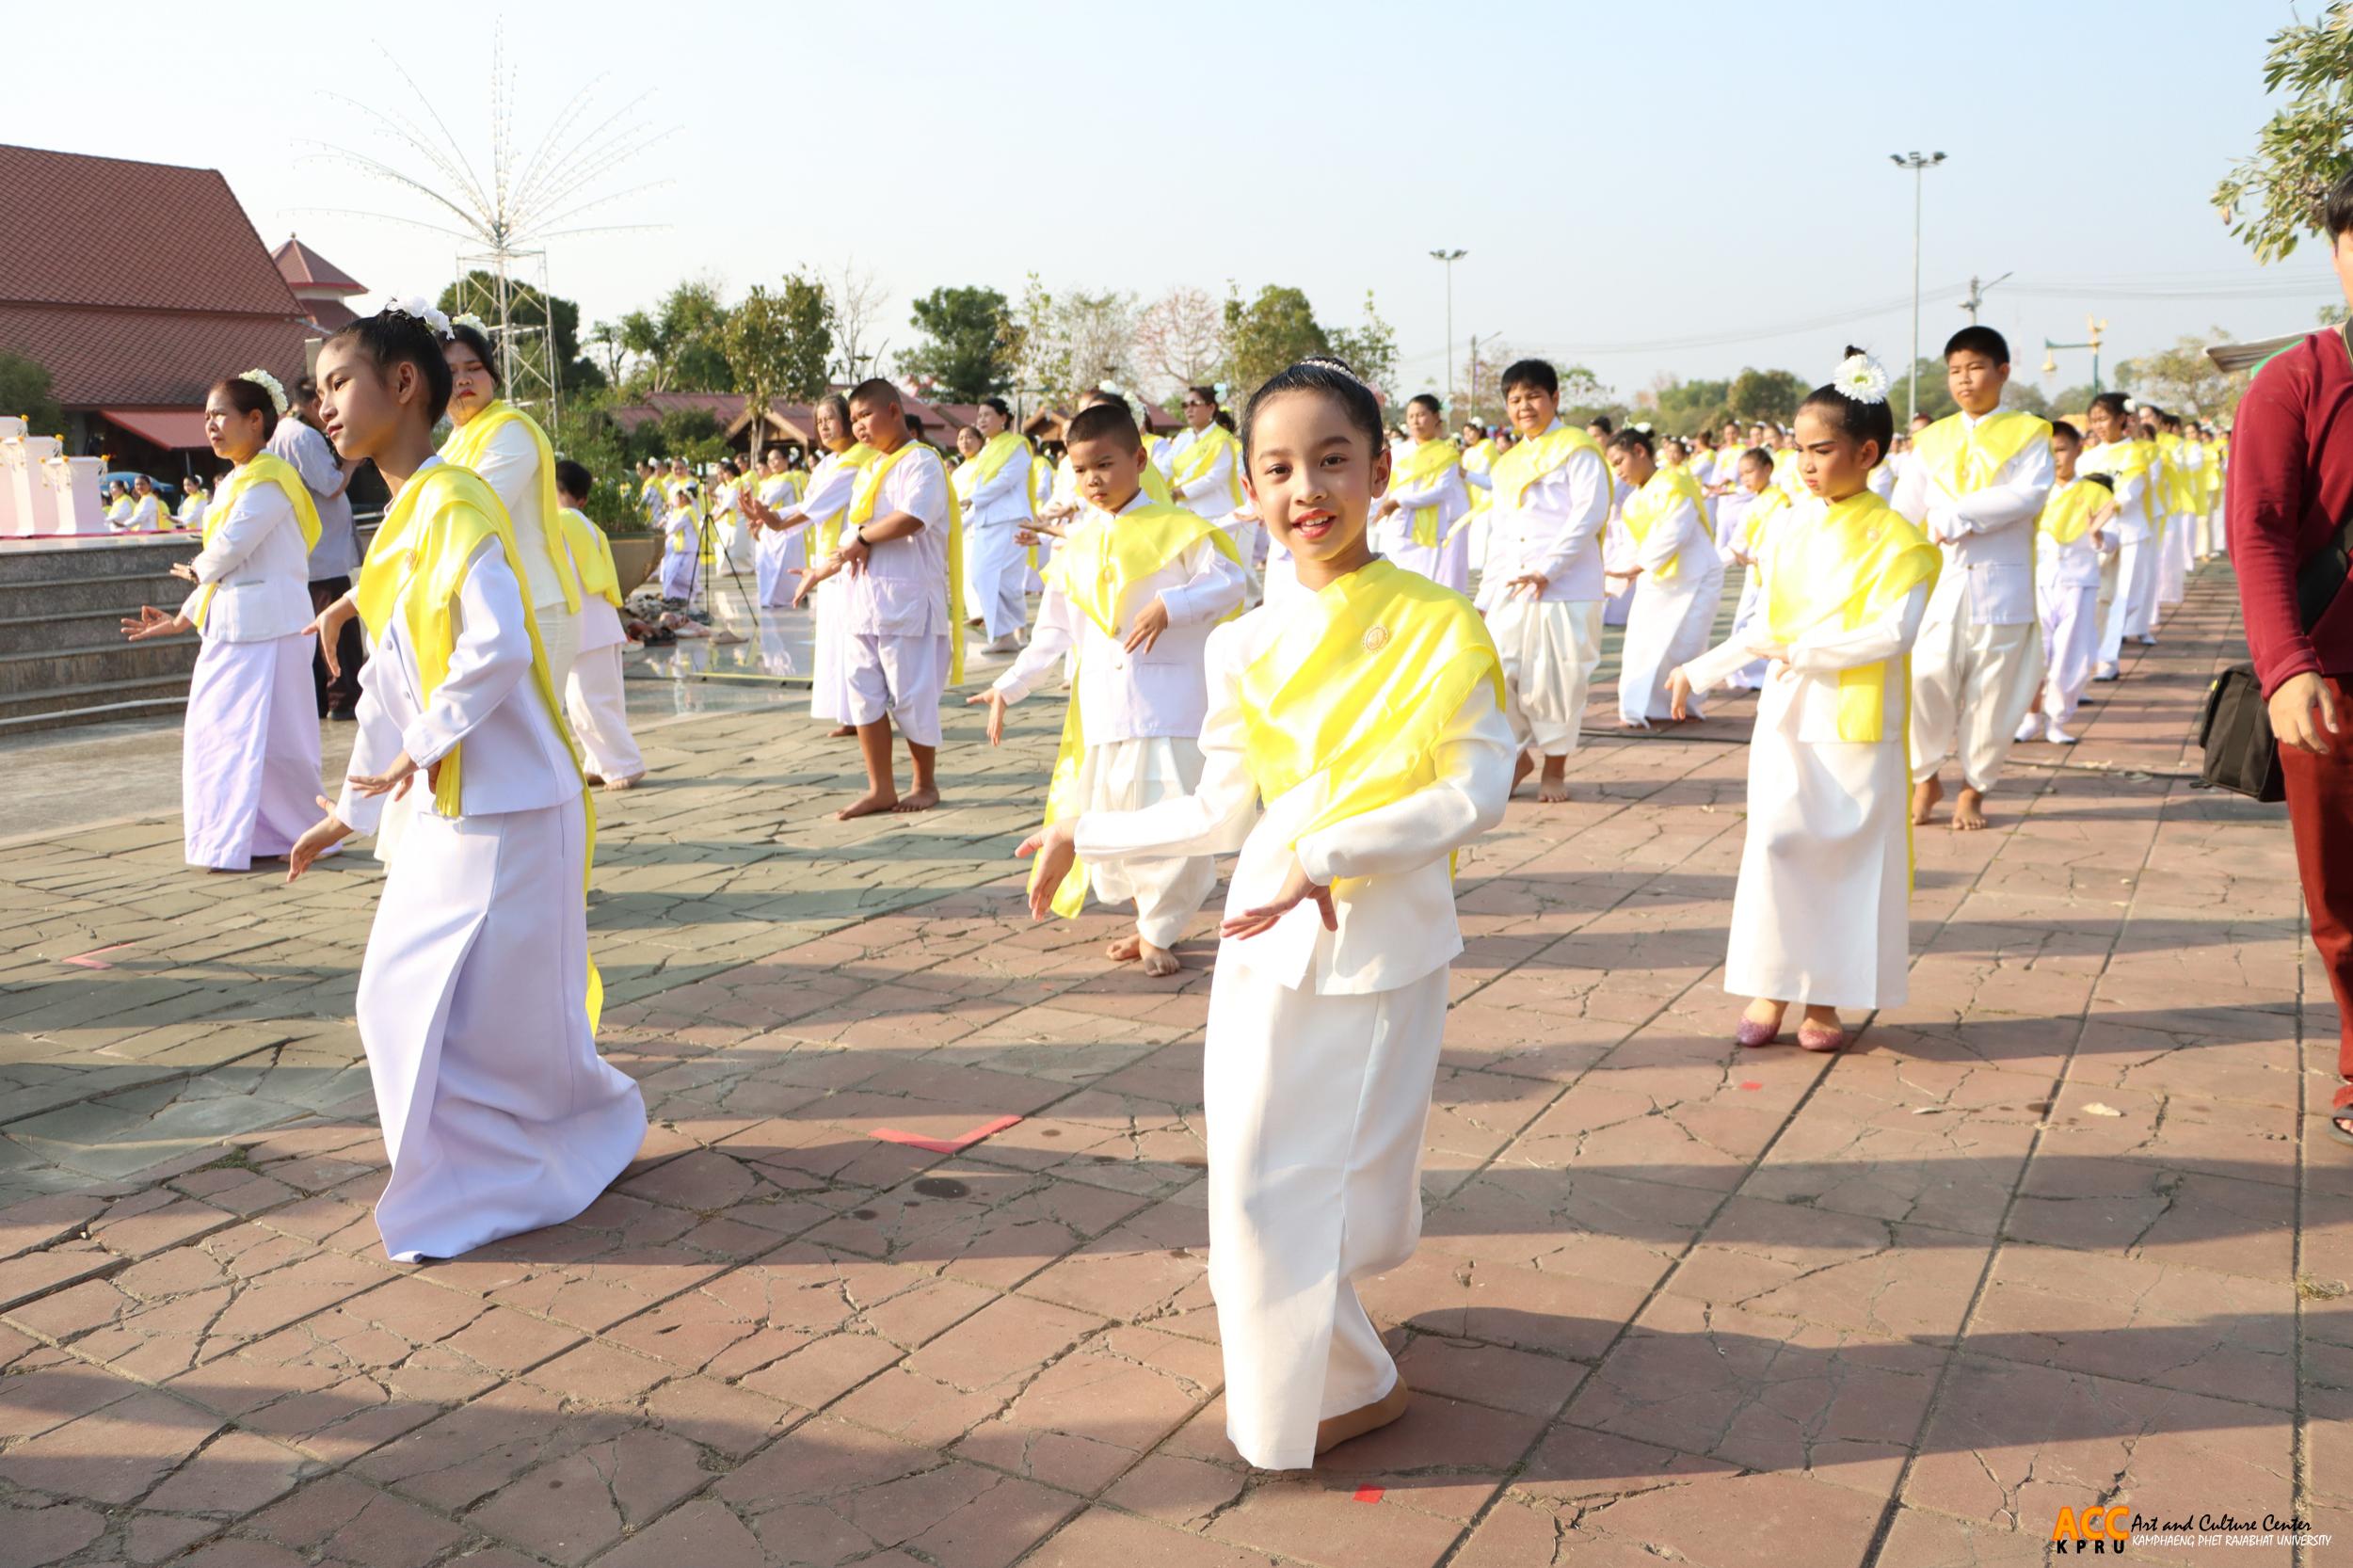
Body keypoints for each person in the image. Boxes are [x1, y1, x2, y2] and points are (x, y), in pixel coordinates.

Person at [1018, 356, 1513, 1470]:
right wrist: (1082, 830)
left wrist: (1334, 852)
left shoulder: (1440, 625)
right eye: (1279, 467)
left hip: (1375, 939)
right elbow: (1214, 808)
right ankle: (1329, 1384)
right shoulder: (1241, 643)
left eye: (1333, 460)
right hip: (1262, 936)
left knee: (1330, 1186)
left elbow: (1473, 791)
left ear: (1380, 470)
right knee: (1249, 1180)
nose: (1308, 490)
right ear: (1246, 489)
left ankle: (1337, 1385)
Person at [290, 299, 646, 1261]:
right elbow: (386, 691)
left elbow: (493, 644)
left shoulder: (451, 501)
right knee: (435, 1003)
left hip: (508, 801)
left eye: (336, 383)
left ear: (403, 384)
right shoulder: (406, 518)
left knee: (476, 1015)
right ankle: (520, 1156)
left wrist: (426, 741)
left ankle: (513, 1169)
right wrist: (351, 805)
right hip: (458, 804)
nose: (322, 406)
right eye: (316, 391)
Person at [1669, 348, 1937, 1053]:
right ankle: (1772, 983)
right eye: (1799, 450)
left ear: (1868, 452)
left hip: (1854, 717)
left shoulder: (1899, 541)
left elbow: (1894, 632)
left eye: (1822, 450)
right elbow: (1767, 625)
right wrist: (1702, 669)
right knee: (1777, 844)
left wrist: (1809, 654)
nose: (1806, 465)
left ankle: (1825, 1000)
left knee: (1847, 857)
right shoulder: (1790, 525)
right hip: (1789, 710)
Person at [974, 402, 1246, 977]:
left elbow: (1229, 584)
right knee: (1114, 822)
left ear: (1139, 460)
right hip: (1104, 713)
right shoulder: (1074, 546)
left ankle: (1158, 930)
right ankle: (1147, 921)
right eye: (1080, 469)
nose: (1093, 479)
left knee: (1170, 825)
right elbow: (1050, 633)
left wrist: (1171, 604)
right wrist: (1008, 685)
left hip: (1169, 707)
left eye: (1105, 464)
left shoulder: (1182, 530)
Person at [2228, 169, 2353, 1149]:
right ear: (2335, 252)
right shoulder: (2295, 383)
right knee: (2342, 901)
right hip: (2332, 683)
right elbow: (2259, 531)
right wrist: (2284, 666)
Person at [120, 371, 323, 872]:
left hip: (273, 627)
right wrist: (184, 617)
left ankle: (300, 833)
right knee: (222, 735)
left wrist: (195, 572)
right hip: (234, 627)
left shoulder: (273, 478)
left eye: (220, 414)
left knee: (280, 741)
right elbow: (224, 559)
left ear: (256, 421)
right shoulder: (235, 480)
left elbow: (231, 547)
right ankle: (244, 838)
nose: (211, 425)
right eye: (207, 416)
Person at [1898, 327, 2054, 832]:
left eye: (1975, 368)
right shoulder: (1931, 439)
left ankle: (1973, 789)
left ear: (2002, 372)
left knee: (1993, 692)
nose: (1964, 381)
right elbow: (1906, 509)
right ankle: (1926, 776)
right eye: (1955, 371)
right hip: (1940, 581)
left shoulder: (2030, 433)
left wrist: (1955, 515)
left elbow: (2027, 496)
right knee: (1925, 676)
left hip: (2000, 582)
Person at [792, 378, 961, 819]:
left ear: (893, 410)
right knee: (862, 696)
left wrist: (863, 536)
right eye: (853, 420)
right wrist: (821, 569)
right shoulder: (869, 470)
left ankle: (924, 783)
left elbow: (912, 518)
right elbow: (854, 540)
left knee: (911, 698)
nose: (859, 427)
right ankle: (880, 788)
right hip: (861, 602)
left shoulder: (921, 462)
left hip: (905, 601)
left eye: (865, 415)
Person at [1467, 360, 1610, 803]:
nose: (1524, 406)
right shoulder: (1508, 464)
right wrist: (1485, 597)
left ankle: (1554, 769)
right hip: (1513, 587)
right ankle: (1516, 757)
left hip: (1565, 589)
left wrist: (1548, 569)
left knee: (1558, 682)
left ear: (1554, 399)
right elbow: (1503, 535)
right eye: (1515, 400)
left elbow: (1588, 514)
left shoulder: (1578, 449)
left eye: (1533, 396)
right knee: (1497, 676)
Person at [440, 320, 585, 690]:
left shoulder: (510, 429)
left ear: (493, 374)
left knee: (538, 742)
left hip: (538, 605)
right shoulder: (449, 445)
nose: (463, 380)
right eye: (450, 372)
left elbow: (470, 515)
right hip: (494, 611)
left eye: (474, 368)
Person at [752, 393, 872, 737]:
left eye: (829, 418)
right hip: (829, 560)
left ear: (848, 422)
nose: (822, 426)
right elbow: (810, 506)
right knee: (835, 641)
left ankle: (865, 715)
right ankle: (850, 715)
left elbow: (816, 506)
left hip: (852, 559)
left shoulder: (858, 460)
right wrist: (771, 519)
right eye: (818, 421)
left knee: (853, 643)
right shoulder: (826, 464)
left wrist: (776, 521)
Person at [1607, 428, 1726, 727]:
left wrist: (1640, 566)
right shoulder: (1633, 501)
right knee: (1642, 642)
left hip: (1697, 574)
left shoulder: (1675, 481)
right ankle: (1639, 707)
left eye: (1619, 461)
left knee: (1688, 644)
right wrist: (1611, 582)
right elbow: (1631, 544)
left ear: (1639, 451)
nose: (1617, 471)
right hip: (1658, 579)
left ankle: (1681, 707)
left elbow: (1676, 529)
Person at [270, 375, 365, 719]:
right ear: (313, 404)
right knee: (337, 626)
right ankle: (344, 697)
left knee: (315, 627)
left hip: (310, 547)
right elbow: (331, 485)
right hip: (323, 549)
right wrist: (353, 458)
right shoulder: (302, 436)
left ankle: (324, 699)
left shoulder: (284, 432)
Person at [2015, 423, 2115, 745]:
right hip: (2038, 582)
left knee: (2070, 656)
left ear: (2078, 450)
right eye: (2048, 451)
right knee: (2035, 654)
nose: (2055, 458)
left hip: (2078, 583)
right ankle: (2030, 717)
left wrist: (2098, 536)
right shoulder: (2032, 493)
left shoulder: (2097, 493)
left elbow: (2113, 541)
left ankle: (2057, 719)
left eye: (2060, 449)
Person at [555, 458, 645, 791]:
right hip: (600, 622)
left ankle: (625, 764)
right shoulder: (585, 524)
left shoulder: (559, 524)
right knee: (599, 699)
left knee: (588, 702)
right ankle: (599, 761)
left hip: (584, 626)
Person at [2082, 392, 2161, 681]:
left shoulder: (2136, 452)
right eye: (2094, 420)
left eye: (2104, 418)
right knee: (2099, 597)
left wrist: (2098, 517)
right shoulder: (2087, 458)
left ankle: (2108, 659)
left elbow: (2129, 494)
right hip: (2095, 537)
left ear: (2121, 419)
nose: (2099, 425)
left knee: (2122, 596)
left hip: (2128, 533)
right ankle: (2095, 653)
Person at [960, 397, 1040, 654]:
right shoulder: (986, 450)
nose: (981, 420)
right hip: (986, 521)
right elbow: (982, 488)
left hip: (1009, 519)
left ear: (1003, 417)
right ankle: (1007, 633)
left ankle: (1009, 634)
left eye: (987, 414)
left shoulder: (1017, 445)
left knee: (1005, 580)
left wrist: (973, 499)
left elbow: (1006, 480)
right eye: (979, 415)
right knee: (980, 576)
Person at [1377, 393, 1472, 591]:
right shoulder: (1398, 451)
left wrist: (1399, 502)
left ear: (1436, 416)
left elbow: (1441, 491)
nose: (1415, 421)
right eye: (1411, 416)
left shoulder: (1447, 453)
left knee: (1423, 587)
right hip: (1395, 525)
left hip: (1429, 529)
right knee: (1393, 585)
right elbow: (1385, 485)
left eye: (1421, 415)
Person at [1166, 385, 1249, 576]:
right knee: (1193, 570)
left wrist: (1178, 493)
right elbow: (1166, 466)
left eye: (1195, 403)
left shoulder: (1222, 439)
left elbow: (1215, 477)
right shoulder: (1182, 439)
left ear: (1211, 408)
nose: (1189, 409)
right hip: (1185, 512)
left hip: (1215, 514)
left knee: (1220, 567)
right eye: (1185, 404)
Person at [750, 445, 805, 609]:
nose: (772, 463)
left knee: (783, 568)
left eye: (776, 459)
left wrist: (755, 515)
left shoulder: (787, 479)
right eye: (770, 460)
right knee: (766, 564)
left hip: (787, 528)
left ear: (786, 460)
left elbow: (767, 503)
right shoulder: (770, 480)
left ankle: (786, 599)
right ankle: (769, 598)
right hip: (771, 529)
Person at [659, 482, 703, 606]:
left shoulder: (687, 512)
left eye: (675, 498)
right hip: (680, 549)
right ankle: (675, 597)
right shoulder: (681, 511)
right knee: (672, 575)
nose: (674, 501)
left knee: (685, 577)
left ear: (683, 498)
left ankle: (686, 597)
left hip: (688, 549)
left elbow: (672, 527)